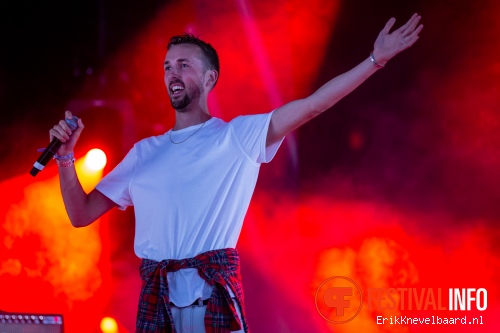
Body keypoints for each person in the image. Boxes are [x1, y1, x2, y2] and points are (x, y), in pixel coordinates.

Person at [50, 13, 422, 333]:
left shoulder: (236, 137)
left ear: (210, 79)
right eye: (167, 66)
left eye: (183, 65)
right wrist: (66, 159)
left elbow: (310, 107)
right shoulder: (143, 153)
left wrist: (375, 59)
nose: (172, 72)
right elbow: (81, 214)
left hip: (212, 300)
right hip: (156, 302)